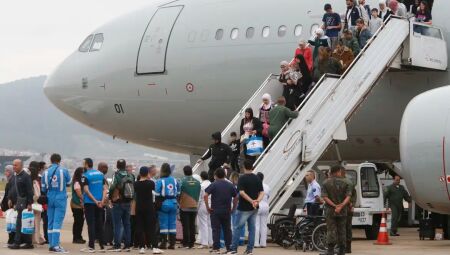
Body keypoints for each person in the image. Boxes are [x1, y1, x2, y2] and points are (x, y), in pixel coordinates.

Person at [228, 159, 264, 255]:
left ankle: (233, 249)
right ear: (252, 167)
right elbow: (262, 192)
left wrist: (251, 201)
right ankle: (249, 250)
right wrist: (256, 201)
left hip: (244, 207)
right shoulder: (257, 178)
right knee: (252, 229)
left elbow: (242, 193)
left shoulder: (242, 178)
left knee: (237, 228)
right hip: (255, 208)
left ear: (244, 167)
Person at [204, 168, 238, 254]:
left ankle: (216, 249)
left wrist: (208, 207)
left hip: (215, 211)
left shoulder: (214, 184)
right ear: (224, 175)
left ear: (215, 176)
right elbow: (236, 197)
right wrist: (233, 207)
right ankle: (229, 248)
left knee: (216, 229)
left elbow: (205, 195)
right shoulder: (230, 185)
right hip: (227, 211)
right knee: (227, 229)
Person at [320, 165, 352, 255]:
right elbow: (348, 196)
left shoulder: (325, 183)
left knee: (331, 229)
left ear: (331, 172)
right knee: (342, 229)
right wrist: (341, 206)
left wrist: (335, 206)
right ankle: (342, 250)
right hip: (343, 211)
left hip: (330, 211)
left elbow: (325, 197)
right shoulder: (346, 182)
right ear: (338, 171)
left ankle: (330, 250)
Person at [134, 166, 163, 254]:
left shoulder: (136, 184)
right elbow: (156, 191)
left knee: (140, 227)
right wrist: (149, 177)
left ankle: (142, 247)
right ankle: (154, 247)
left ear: (139, 173)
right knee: (151, 227)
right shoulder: (150, 183)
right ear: (147, 173)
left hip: (139, 207)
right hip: (149, 207)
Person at [108, 159, 135, 252]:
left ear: (117, 166)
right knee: (127, 224)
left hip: (118, 202)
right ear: (125, 165)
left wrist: (110, 197)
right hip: (128, 202)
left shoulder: (116, 175)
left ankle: (117, 245)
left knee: (117, 224)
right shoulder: (131, 175)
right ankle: (127, 245)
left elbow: (112, 186)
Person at [81, 158, 107, 253]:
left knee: (91, 224)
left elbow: (86, 190)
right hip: (100, 203)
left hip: (89, 203)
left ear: (87, 164)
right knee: (100, 224)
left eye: (83, 163)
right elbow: (105, 189)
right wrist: (101, 201)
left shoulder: (85, 176)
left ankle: (91, 246)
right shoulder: (100, 174)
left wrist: (95, 201)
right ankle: (102, 246)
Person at [8, 159, 34, 250]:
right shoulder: (14, 176)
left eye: (16, 165)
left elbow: (30, 191)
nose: (14, 167)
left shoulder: (26, 176)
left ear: (21, 166)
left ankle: (17, 243)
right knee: (21, 223)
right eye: (13, 165)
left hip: (24, 203)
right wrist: (10, 198)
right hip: (17, 203)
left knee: (20, 223)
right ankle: (28, 242)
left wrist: (30, 203)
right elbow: (12, 188)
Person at [155, 163, 180, 250]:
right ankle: (172, 243)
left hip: (164, 204)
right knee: (172, 224)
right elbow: (178, 192)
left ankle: (163, 243)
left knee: (163, 224)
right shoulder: (175, 180)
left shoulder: (159, 180)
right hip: (174, 203)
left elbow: (157, 193)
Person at [179, 165, 201, 249]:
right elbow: (199, 193)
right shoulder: (197, 182)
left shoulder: (182, 181)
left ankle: (186, 243)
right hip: (194, 206)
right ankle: (192, 243)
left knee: (185, 225)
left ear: (184, 172)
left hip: (184, 206)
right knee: (192, 225)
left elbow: (179, 194)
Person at [341, 168, 356, 253]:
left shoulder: (346, 183)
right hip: (347, 208)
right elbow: (354, 195)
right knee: (347, 228)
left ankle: (345, 247)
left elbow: (352, 195)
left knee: (344, 228)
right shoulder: (350, 182)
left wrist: (351, 204)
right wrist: (352, 204)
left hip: (345, 208)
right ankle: (347, 248)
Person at [29, 161, 45, 245]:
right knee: (37, 222)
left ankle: (32, 239)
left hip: (28, 204)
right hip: (36, 203)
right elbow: (38, 194)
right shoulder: (36, 181)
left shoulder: (27, 178)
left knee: (29, 222)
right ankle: (38, 238)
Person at [196, 171, 213, 249]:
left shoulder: (201, 185)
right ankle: (211, 242)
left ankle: (204, 242)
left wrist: (197, 207)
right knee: (210, 224)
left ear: (201, 177)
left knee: (203, 224)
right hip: (211, 204)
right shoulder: (211, 184)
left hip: (203, 204)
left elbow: (199, 198)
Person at [254, 172, 270, 249]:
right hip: (266, 206)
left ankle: (256, 243)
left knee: (256, 225)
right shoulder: (267, 186)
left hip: (258, 205)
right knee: (264, 225)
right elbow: (268, 196)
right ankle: (263, 243)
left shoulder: (255, 185)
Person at [71, 167, 85, 244]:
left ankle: (79, 237)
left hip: (78, 204)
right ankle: (76, 238)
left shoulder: (78, 181)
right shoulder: (77, 182)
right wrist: (85, 200)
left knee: (80, 221)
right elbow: (79, 194)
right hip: (76, 204)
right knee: (78, 221)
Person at [1, 165, 15, 246]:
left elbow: (10, 194)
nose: (5, 173)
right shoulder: (10, 180)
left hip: (12, 206)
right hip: (9, 207)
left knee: (12, 224)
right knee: (10, 224)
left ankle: (11, 241)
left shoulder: (12, 181)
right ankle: (10, 241)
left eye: (7, 171)